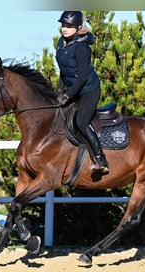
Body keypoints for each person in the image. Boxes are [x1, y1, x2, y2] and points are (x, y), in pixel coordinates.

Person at [55, 11, 109, 174]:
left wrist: (68, 95)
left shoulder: (81, 48)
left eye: (69, 26)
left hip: (88, 90)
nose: (65, 29)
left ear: (78, 28)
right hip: (73, 89)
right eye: (63, 26)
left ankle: (101, 159)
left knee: (81, 122)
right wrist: (59, 90)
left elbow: (82, 77)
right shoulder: (61, 43)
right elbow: (64, 70)